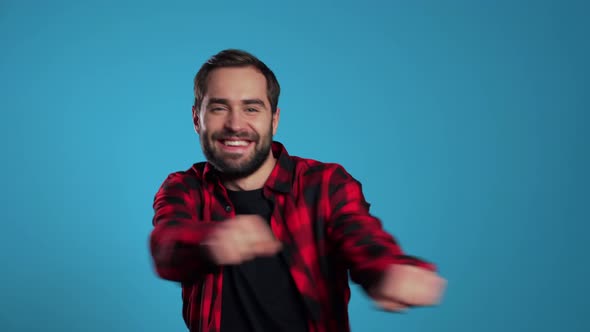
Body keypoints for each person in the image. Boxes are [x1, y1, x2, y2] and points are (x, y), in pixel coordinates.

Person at [149, 49, 446, 332]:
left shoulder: (327, 185)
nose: (235, 124)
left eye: (251, 108)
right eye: (218, 108)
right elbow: (166, 246)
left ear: (274, 120)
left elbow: (362, 239)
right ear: (196, 119)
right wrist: (209, 241)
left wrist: (388, 271)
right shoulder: (184, 187)